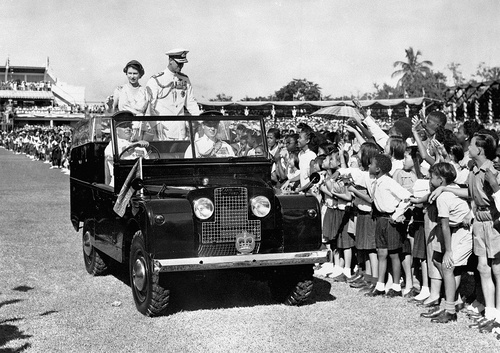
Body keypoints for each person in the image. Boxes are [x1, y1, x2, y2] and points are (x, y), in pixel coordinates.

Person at [421, 162, 472, 323]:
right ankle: (452, 302)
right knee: (444, 264)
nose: (430, 179)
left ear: (441, 180)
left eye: (432, 177)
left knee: (448, 265)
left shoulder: (443, 197)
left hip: (464, 232)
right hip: (457, 230)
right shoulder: (452, 187)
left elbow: (444, 224)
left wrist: (449, 250)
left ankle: (450, 310)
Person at [365, 154, 412, 298]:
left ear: (378, 168)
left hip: (390, 220)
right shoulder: (376, 182)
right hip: (380, 220)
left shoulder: (388, 182)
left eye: (371, 164)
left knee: (393, 254)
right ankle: (380, 285)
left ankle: (396, 287)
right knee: (382, 253)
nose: (369, 166)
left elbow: (407, 196)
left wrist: (397, 214)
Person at [147, 48, 201, 140]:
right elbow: (149, 106)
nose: (181, 66)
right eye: (178, 63)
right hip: (163, 129)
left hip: (181, 130)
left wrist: (201, 120)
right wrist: (155, 124)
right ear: (170, 60)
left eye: (182, 63)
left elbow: (191, 103)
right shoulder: (156, 80)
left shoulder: (185, 79)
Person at [104, 120, 150, 187]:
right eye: (124, 126)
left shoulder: (140, 148)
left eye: (130, 126)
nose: (128, 129)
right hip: (120, 186)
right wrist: (134, 145)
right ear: (116, 130)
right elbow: (115, 154)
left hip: (139, 185)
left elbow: (147, 166)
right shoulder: (112, 146)